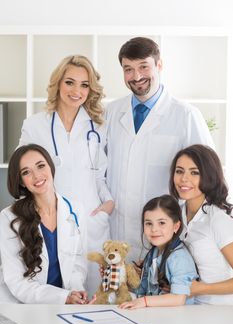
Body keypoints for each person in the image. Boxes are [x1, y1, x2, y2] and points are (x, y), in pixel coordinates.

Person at [105, 36, 214, 263]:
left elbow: (207, 177)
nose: (137, 76)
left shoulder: (185, 115)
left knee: (159, 295)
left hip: (165, 238)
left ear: (159, 65)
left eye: (144, 66)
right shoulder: (111, 113)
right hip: (116, 235)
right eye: (128, 69)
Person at [18, 55, 114, 297]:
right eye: (70, 82)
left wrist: (108, 204)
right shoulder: (35, 125)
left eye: (84, 85)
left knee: (94, 292)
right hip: (51, 218)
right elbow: (23, 173)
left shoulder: (97, 126)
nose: (77, 91)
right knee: (53, 290)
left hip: (92, 218)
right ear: (58, 83)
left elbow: (99, 174)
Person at [0, 144, 95, 304]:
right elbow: (17, 281)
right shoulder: (8, 218)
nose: (37, 176)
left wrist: (75, 292)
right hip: (21, 306)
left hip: (65, 306)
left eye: (41, 166)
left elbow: (77, 265)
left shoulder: (76, 210)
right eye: (26, 172)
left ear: (50, 167)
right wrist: (63, 297)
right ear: (22, 182)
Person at [169, 144, 233, 305]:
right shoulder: (177, 215)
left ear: (209, 176)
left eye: (194, 172)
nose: (184, 178)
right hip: (190, 307)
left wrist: (201, 288)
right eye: (179, 171)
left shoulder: (217, 219)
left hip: (222, 311)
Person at [119, 195, 198, 309]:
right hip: (157, 315)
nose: (154, 229)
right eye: (149, 223)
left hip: (178, 318)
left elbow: (178, 298)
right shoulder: (153, 253)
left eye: (161, 223)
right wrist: (117, 278)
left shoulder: (179, 258)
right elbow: (143, 290)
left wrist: (144, 301)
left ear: (176, 226)